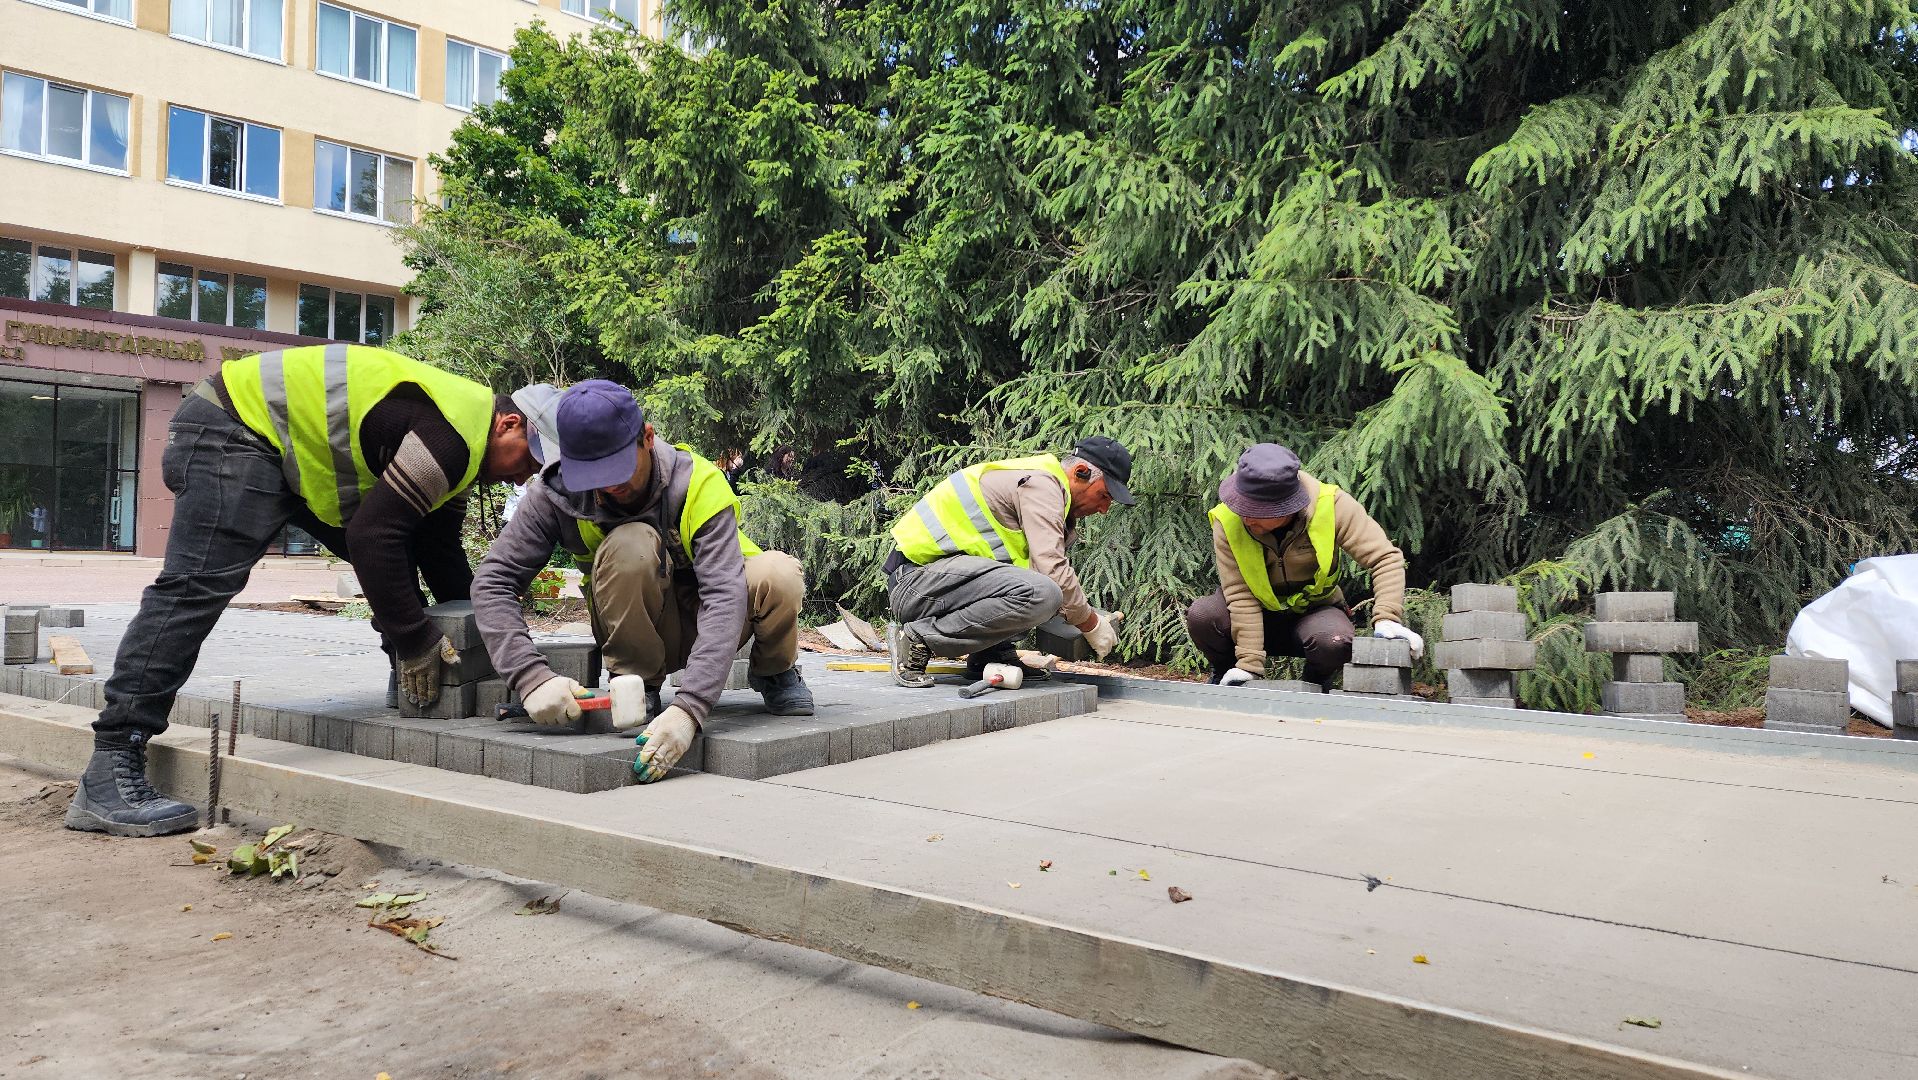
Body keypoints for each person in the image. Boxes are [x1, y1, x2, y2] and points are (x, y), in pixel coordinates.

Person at [69, 344, 538, 837]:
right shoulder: (452, 437)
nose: (526, 475)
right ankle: (111, 764)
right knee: (196, 588)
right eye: (530, 458)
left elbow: (437, 553)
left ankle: (417, 689)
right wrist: (414, 640)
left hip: (287, 451)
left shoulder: (461, 451)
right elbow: (372, 536)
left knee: (392, 551)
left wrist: (490, 654)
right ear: (507, 423)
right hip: (236, 425)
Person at [472, 381, 813, 784]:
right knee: (631, 542)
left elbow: (725, 596)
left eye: (616, 469)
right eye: (590, 474)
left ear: (647, 438)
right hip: (638, 626)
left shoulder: (697, 483)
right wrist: (530, 679)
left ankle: (775, 672)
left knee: (780, 574)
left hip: (715, 619)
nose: (606, 486)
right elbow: (492, 581)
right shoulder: (555, 492)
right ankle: (637, 687)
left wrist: (690, 709)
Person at [884, 437, 1133, 687]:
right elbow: (1052, 571)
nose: (1103, 509)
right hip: (915, 584)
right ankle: (916, 639)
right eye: (1104, 495)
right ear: (1080, 472)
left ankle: (990, 654)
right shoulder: (1043, 486)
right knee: (1044, 592)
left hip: (936, 585)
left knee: (1045, 592)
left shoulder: (1044, 488)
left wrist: (1078, 613)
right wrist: (1090, 624)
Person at [1185, 443, 1420, 690]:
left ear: (1287, 506)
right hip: (1255, 616)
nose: (1245, 516)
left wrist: (1387, 618)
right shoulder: (1228, 519)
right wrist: (1248, 665)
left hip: (1313, 615)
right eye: (1242, 504)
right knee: (1204, 615)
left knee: (1334, 642)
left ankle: (1315, 683)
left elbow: (1385, 558)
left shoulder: (1332, 506)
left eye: (1256, 510)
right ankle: (1225, 673)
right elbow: (1240, 594)